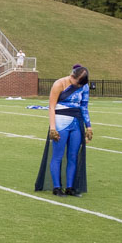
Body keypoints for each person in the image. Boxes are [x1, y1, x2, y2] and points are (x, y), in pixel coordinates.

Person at [35, 64, 93, 197]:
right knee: (58, 156)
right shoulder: (59, 84)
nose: (78, 86)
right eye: (77, 83)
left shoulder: (84, 86)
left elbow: (84, 107)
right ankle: (56, 187)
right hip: (61, 121)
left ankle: (70, 187)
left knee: (73, 156)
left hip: (76, 122)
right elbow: (51, 107)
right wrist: (53, 128)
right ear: (72, 76)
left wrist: (88, 126)